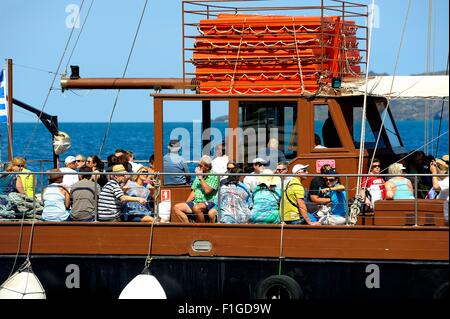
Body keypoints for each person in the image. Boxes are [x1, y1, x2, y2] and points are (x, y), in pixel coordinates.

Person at [171, 155, 219, 223]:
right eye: (198, 165)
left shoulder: (214, 176)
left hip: (209, 201)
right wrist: (187, 203)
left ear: (207, 167)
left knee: (197, 208)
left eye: (200, 165)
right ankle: (189, 228)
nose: (198, 167)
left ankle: (202, 229)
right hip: (196, 201)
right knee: (176, 207)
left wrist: (200, 178)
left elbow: (208, 191)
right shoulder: (199, 175)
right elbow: (194, 191)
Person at [429, 156, 449, 225]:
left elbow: (436, 186)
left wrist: (433, 172)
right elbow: (443, 177)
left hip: (444, 213)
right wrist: (436, 168)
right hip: (442, 209)